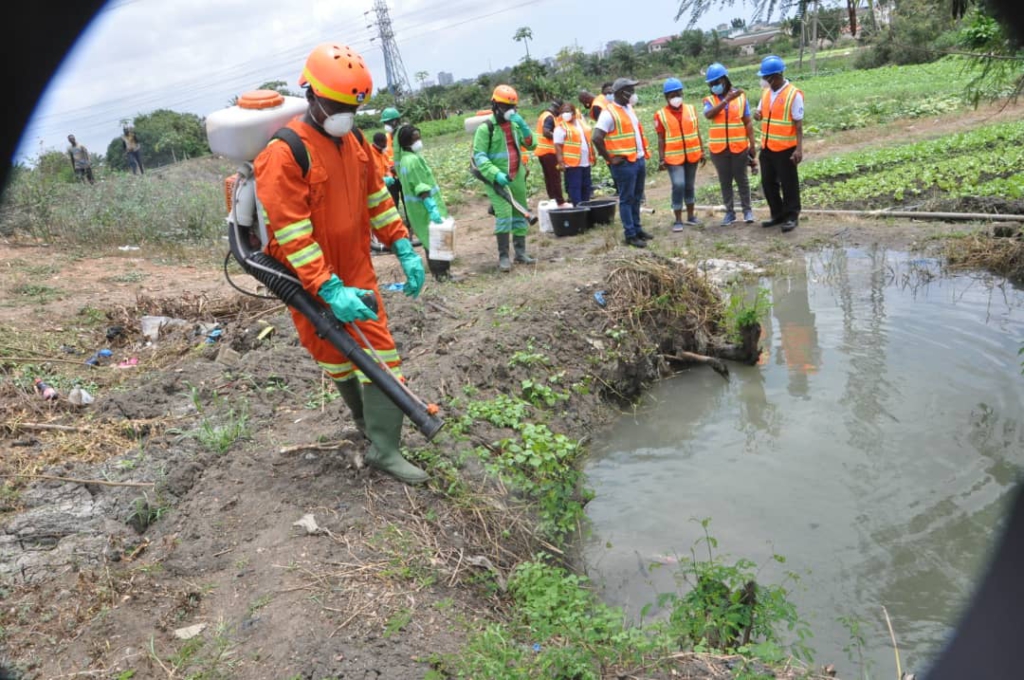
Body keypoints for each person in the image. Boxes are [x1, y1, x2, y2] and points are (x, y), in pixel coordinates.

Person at [252, 43, 428, 485]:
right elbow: (293, 234)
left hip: (355, 268)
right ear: (310, 95)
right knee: (334, 356)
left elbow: (377, 199)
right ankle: (370, 429)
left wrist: (403, 246)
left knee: (380, 353)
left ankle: (385, 451)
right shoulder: (284, 153)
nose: (344, 115)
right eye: (336, 105)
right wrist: (327, 289)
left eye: (352, 107)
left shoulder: (355, 142)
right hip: (308, 279)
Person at [472, 84, 537, 273]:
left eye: (512, 107)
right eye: (504, 107)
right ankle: (503, 256)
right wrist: (495, 174)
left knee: (519, 213)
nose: (509, 111)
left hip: (516, 176)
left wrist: (525, 128)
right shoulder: (486, 128)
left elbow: (532, 145)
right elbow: (480, 157)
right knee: (504, 215)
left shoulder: (516, 124)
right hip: (497, 180)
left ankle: (520, 252)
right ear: (495, 106)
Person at [592, 77, 652, 248]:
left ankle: (638, 229)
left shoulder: (629, 108)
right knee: (627, 199)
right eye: (630, 90)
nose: (633, 94)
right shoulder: (608, 113)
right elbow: (596, 137)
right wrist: (609, 158)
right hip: (624, 163)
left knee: (636, 197)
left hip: (637, 159)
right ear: (620, 93)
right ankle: (630, 234)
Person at [394, 124, 452, 282]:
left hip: (417, 210)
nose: (419, 141)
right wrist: (432, 208)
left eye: (419, 137)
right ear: (407, 141)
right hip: (425, 207)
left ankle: (440, 274)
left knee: (430, 240)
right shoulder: (412, 161)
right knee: (436, 240)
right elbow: (421, 187)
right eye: (415, 138)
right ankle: (442, 275)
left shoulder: (406, 159)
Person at [753, 55, 804, 233]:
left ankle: (791, 216)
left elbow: (798, 125)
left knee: (789, 183)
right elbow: (759, 112)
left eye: (765, 77)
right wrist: (757, 115)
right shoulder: (766, 93)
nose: (763, 81)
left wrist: (799, 149)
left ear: (774, 77)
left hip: (785, 148)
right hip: (767, 147)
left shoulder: (793, 94)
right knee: (768, 183)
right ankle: (777, 214)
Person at [703, 62, 757, 226]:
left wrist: (752, 145)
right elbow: (709, 115)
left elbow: (747, 122)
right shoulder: (710, 100)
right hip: (719, 150)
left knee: (742, 180)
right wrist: (726, 100)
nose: (714, 86)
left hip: (738, 147)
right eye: (711, 84)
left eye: (717, 82)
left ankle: (747, 210)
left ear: (725, 80)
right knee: (725, 181)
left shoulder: (741, 98)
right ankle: (730, 213)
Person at [653, 77, 705, 232]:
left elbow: (697, 132)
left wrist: (701, 150)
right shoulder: (660, 114)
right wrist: (662, 158)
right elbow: (661, 138)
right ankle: (677, 219)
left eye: (677, 93)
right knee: (679, 184)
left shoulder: (691, 109)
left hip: (692, 154)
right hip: (673, 157)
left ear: (682, 93)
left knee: (689, 185)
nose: (675, 97)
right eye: (671, 95)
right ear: (666, 97)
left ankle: (690, 216)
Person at [553, 102, 594, 206]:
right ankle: (578, 208)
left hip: (585, 161)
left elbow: (588, 140)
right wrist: (561, 162)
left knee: (586, 186)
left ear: (573, 112)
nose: (565, 114)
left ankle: (586, 206)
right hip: (572, 164)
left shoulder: (581, 123)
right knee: (575, 187)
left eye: (567, 111)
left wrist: (592, 155)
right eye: (562, 112)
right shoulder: (561, 127)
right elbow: (558, 146)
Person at [533, 100, 569, 206]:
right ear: (558, 108)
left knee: (549, 178)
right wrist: (559, 137)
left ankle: (553, 199)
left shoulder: (544, 115)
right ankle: (560, 201)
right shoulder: (549, 117)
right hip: (549, 152)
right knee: (555, 178)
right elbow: (546, 132)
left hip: (543, 152)